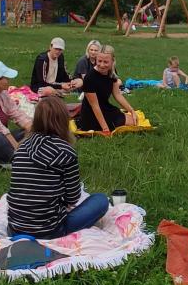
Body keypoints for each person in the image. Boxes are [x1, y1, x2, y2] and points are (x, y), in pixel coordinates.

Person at [6, 96, 111, 237]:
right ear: (63, 120)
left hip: (15, 228)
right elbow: (72, 198)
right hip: (50, 230)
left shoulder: (22, 147)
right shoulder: (66, 152)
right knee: (101, 200)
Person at [76, 45, 137, 133]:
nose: (102, 65)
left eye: (106, 62)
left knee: (133, 121)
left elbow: (117, 95)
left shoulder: (112, 71)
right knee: (126, 122)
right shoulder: (89, 78)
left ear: (112, 61)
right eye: (99, 61)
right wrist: (105, 129)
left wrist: (131, 111)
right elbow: (94, 106)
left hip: (105, 107)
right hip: (91, 114)